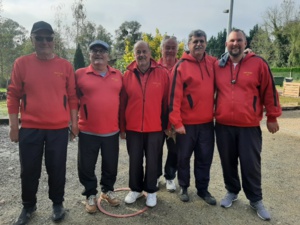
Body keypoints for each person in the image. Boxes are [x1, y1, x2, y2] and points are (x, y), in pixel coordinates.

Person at [7, 21, 78, 225]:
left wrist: (75, 123)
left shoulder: (65, 66)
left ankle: (57, 204)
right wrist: (14, 126)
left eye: (49, 38)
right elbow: (12, 95)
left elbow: (73, 97)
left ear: (54, 40)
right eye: (39, 38)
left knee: (57, 169)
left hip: (57, 129)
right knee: (29, 170)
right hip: (30, 128)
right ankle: (29, 206)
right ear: (32, 40)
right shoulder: (22, 63)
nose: (44, 42)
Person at [214, 29, 282, 221]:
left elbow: (270, 91)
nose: (235, 44)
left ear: (245, 43)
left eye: (239, 40)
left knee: (250, 164)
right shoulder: (218, 66)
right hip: (223, 124)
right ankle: (232, 191)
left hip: (249, 126)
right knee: (227, 162)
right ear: (226, 44)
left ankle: (255, 199)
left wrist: (272, 116)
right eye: (231, 41)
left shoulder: (258, 64)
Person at [168, 29, 216, 205]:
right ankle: (184, 187)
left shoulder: (213, 63)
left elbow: (232, 62)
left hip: (206, 124)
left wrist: (247, 53)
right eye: (195, 41)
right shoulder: (181, 66)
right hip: (186, 124)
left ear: (206, 43)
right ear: (188, 45)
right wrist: (176, 122)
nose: (199, 44)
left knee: (205, 158)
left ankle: (203, 189)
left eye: (202, 41)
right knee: (183, 158)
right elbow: (173, 97)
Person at [120, 41, 169, 207]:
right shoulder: (127, 75)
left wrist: (166, 125)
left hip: (155, 127)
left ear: (150, 53)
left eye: (144, 51)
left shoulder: (162, 74)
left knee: (153, 160)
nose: (141, 55)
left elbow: (166, 102)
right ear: (134, 54)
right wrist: (122, 127)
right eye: (138, 52)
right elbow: (123, 103)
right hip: (133, 128)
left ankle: (151, 191)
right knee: (135, 159)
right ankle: (136, 189)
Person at [75, 40, 122, 213]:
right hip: (88, 130)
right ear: (89, 54)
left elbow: (123, 102)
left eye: (102, 51)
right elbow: (73, 101)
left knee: (111, 165)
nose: (98, 54)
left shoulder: (118, 75)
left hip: (111, 131)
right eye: (94, 50)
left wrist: (123, 127)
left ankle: (107, 191)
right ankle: (90, 194)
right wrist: (73, 123)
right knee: (86, 165)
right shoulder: (80, 74)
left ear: (108, 55)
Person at [157, 35, 179, 192]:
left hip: (176, 115)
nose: (170, 50)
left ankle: (170, 176)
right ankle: (155, 175)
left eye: (173, 47)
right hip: (157, 115)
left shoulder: (183, 66)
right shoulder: (154, 67)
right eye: (167, 47)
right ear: (161, 49)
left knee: (174, 149)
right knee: (155, 148)